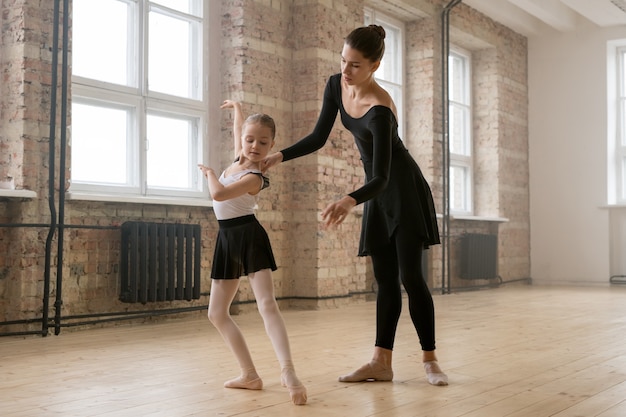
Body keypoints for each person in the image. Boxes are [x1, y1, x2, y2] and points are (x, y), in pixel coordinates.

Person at [262, 25, 448, 386]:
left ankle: (430, 360)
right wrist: (278, 156)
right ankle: (381, 362)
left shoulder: (380, 109)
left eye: (355, 66)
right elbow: (318, 137)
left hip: (403, 190)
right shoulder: (336, 85)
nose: (346, 72)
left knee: (411, 277)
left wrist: (348, 200)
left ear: (375, 65)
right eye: (343, 61)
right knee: (385, 281)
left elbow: (381, 176)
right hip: (375, 194)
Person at [199, 100, 307, 405]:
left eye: (263, 142)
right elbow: (239, 131)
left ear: (272, 146)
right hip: (227, 239)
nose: (254, 146)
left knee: (266, 304)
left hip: (248, 235)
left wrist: (209, 172)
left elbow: (218, 193)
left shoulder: (255, 177)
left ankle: (288, 372)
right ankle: (249, 374)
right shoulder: (238, 158)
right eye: (250, 140)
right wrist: (237, 110)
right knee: (216, 313)